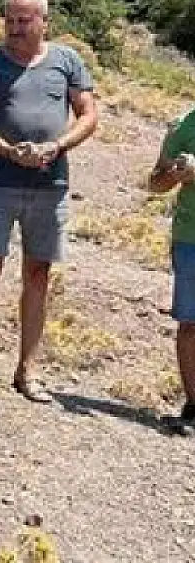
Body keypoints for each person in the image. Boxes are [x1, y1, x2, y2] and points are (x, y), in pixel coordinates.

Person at [0, 0, 98, 402]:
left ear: (44, 22)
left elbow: (88, 115)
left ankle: (27, 369)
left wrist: (57, 147)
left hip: (50, 184)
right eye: (9, 20)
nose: (14, 28)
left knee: (37, 275)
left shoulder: (67, 61)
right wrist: (9, 150)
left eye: (23, 21)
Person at [149, 112, 195, 433]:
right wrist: (176, 176)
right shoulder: (184, 126)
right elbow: (155, 183)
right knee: (190, 323)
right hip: (190, 238)